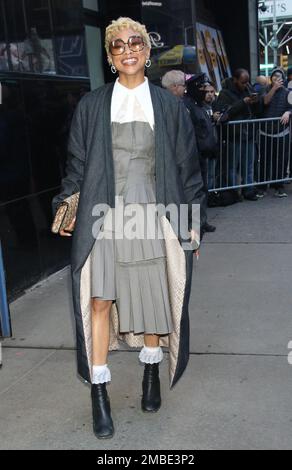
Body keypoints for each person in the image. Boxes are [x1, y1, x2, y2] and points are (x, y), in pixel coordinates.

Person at [52, 17, 205, 440]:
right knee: (99, 299)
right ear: (109, 57)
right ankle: (99, 392)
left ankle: (150, 376)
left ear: (147, 51)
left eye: (135, 42)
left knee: (153, 301)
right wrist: (67, 206)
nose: (128, 50)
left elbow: (187, 169)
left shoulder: (170, 106)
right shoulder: (92, 105)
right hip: (104, 213)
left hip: (152, 213)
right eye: (117, 45)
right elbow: (77, 166)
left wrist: (192, 223)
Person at [215, 68, 261, 201]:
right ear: (235, 80)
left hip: (248, 134)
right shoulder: (224, 93)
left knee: (249, 165)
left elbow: (258, 111)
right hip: (233, 136)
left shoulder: (248, 89)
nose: (245, 84)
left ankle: (249, 190)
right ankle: (234, 192)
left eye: (247, 82)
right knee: (232, 166)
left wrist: (256, 101)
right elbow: (225, 113)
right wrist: (243, 102)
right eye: (242, 82)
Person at [183, 74, 218, 233]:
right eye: (202, 88)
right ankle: (196, 223)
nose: (205, 92)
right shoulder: (187, 106)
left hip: (202, 155)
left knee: (202, 191)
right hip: (194, 156)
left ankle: (201, 221)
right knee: (195, 192)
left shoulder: (198, 105)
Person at [257, 67, 292, 197]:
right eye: (274, 77)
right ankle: (262, 187)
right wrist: (273, 88)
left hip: (282, 132)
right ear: (271, 79)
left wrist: (288, 112)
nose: (277, 79)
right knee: (265, 160)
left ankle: (279, 186)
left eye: (280, 77)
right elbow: (265, 102)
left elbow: (291, 107)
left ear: (283, 79)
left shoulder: (288, 92)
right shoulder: (265, 89)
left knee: (281, 160)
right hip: (265, 131)